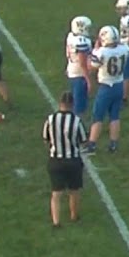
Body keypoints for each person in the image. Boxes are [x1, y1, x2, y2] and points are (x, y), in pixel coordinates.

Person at [42, 91, 88, 228]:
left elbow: (46, 139)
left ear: (60, 103)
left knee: (56, 193)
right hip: (73, 160)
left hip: (56, 160)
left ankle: (56, 222)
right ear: (72, 105)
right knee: (74, 190)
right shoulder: (76, 121)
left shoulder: (50, 119)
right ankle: (74, 215)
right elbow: (83, 140)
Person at [85, 25, 129, 154]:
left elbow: (92, 67)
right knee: (114, 116)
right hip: (119, 85)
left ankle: (92, 144)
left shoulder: (101, 52)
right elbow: (121, 46)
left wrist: (94, 51)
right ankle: (113, 144)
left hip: (106, 87)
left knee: (97, 117)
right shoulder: (124, 49)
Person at [65, 15, 94, 118]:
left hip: (72, 70)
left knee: (75, 100)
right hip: (79, 74)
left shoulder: (71, 36)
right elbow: (82, 62)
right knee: (79, 105)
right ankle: (78, 126)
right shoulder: (82, 42)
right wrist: (88, 80)